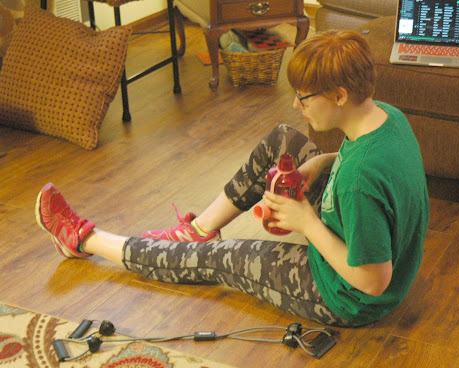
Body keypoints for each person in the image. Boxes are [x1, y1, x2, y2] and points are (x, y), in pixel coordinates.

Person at [36, 30, 429, 327]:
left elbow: (373, 281)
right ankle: (199, 229)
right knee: (284, 139)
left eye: (305, 97)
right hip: (351, 237)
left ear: (340, 95)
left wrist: (306, 222)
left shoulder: (359, 182)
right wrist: (323, 162)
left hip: (344, 295)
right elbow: (366, 171)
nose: (296, 104)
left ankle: (82, 239)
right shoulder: (385, 116)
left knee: (216, 259)